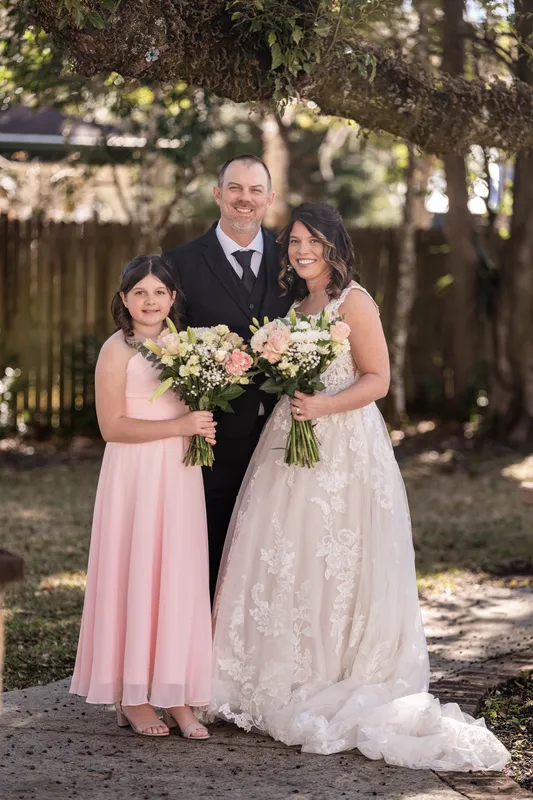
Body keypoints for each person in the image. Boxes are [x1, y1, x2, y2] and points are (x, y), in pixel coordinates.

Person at [209, 204, 510, 770]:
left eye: (313, 242)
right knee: (288, 552)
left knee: (340, 554)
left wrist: (322, 404)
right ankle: (285, 669)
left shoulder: (356, 301)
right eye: (295, 242)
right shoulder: (295, 307)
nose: (302, 251)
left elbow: (378, 379)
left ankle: (336, 671)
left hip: (345, 444)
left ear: (334, 247)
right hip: (292, 439)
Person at [70, 256, 215, 740]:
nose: (150, 302)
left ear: (173, 298)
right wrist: (181, 425)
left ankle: (176, 693)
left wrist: (203, 416)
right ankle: (133, 696)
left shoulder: (187, 347)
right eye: (140, 293)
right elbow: (111, 427)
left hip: (179, 473)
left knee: (177, 573)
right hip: (135, 474)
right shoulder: (117, 351)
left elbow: (195, 404)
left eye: (159, 293)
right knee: (137, 572)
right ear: (124, 299)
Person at [164, 154, 294, 599]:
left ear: (269, 199)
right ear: (218, 194)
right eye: (235, 189)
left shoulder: (291, 259)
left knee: (277, 536)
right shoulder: (179, 263)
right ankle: (207, 637)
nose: (245, 199)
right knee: (212, 534)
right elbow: (166, 345)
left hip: (284, 428)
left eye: (255, 190)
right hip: (213, 434)